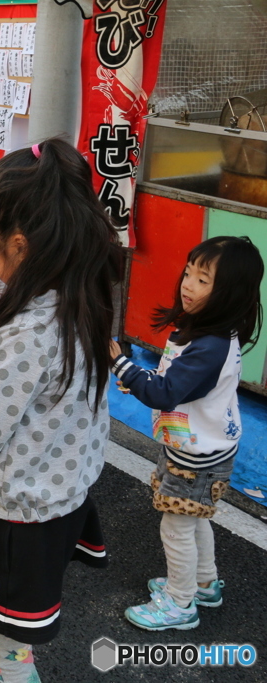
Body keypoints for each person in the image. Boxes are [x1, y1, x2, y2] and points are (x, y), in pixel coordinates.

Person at [0, 139, 121, 682]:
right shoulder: (79, 296)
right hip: (61, 499)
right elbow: (17, 281)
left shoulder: (23, 335)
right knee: (14, 638)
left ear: (20, 246)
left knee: (4, 651)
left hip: (19, 517)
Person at [111, 236, 263, 631]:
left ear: (229, 293)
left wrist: (122, 365)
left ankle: (180, 604)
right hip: (200, 446)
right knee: (194, 519)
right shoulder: (211, 331)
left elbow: (164, 392)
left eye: (203, 279)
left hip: (196, 456)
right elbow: (171, 384)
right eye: (189, 272)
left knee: (176, 525)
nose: (188, 284)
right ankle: (204, 584)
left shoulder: (209, 345)